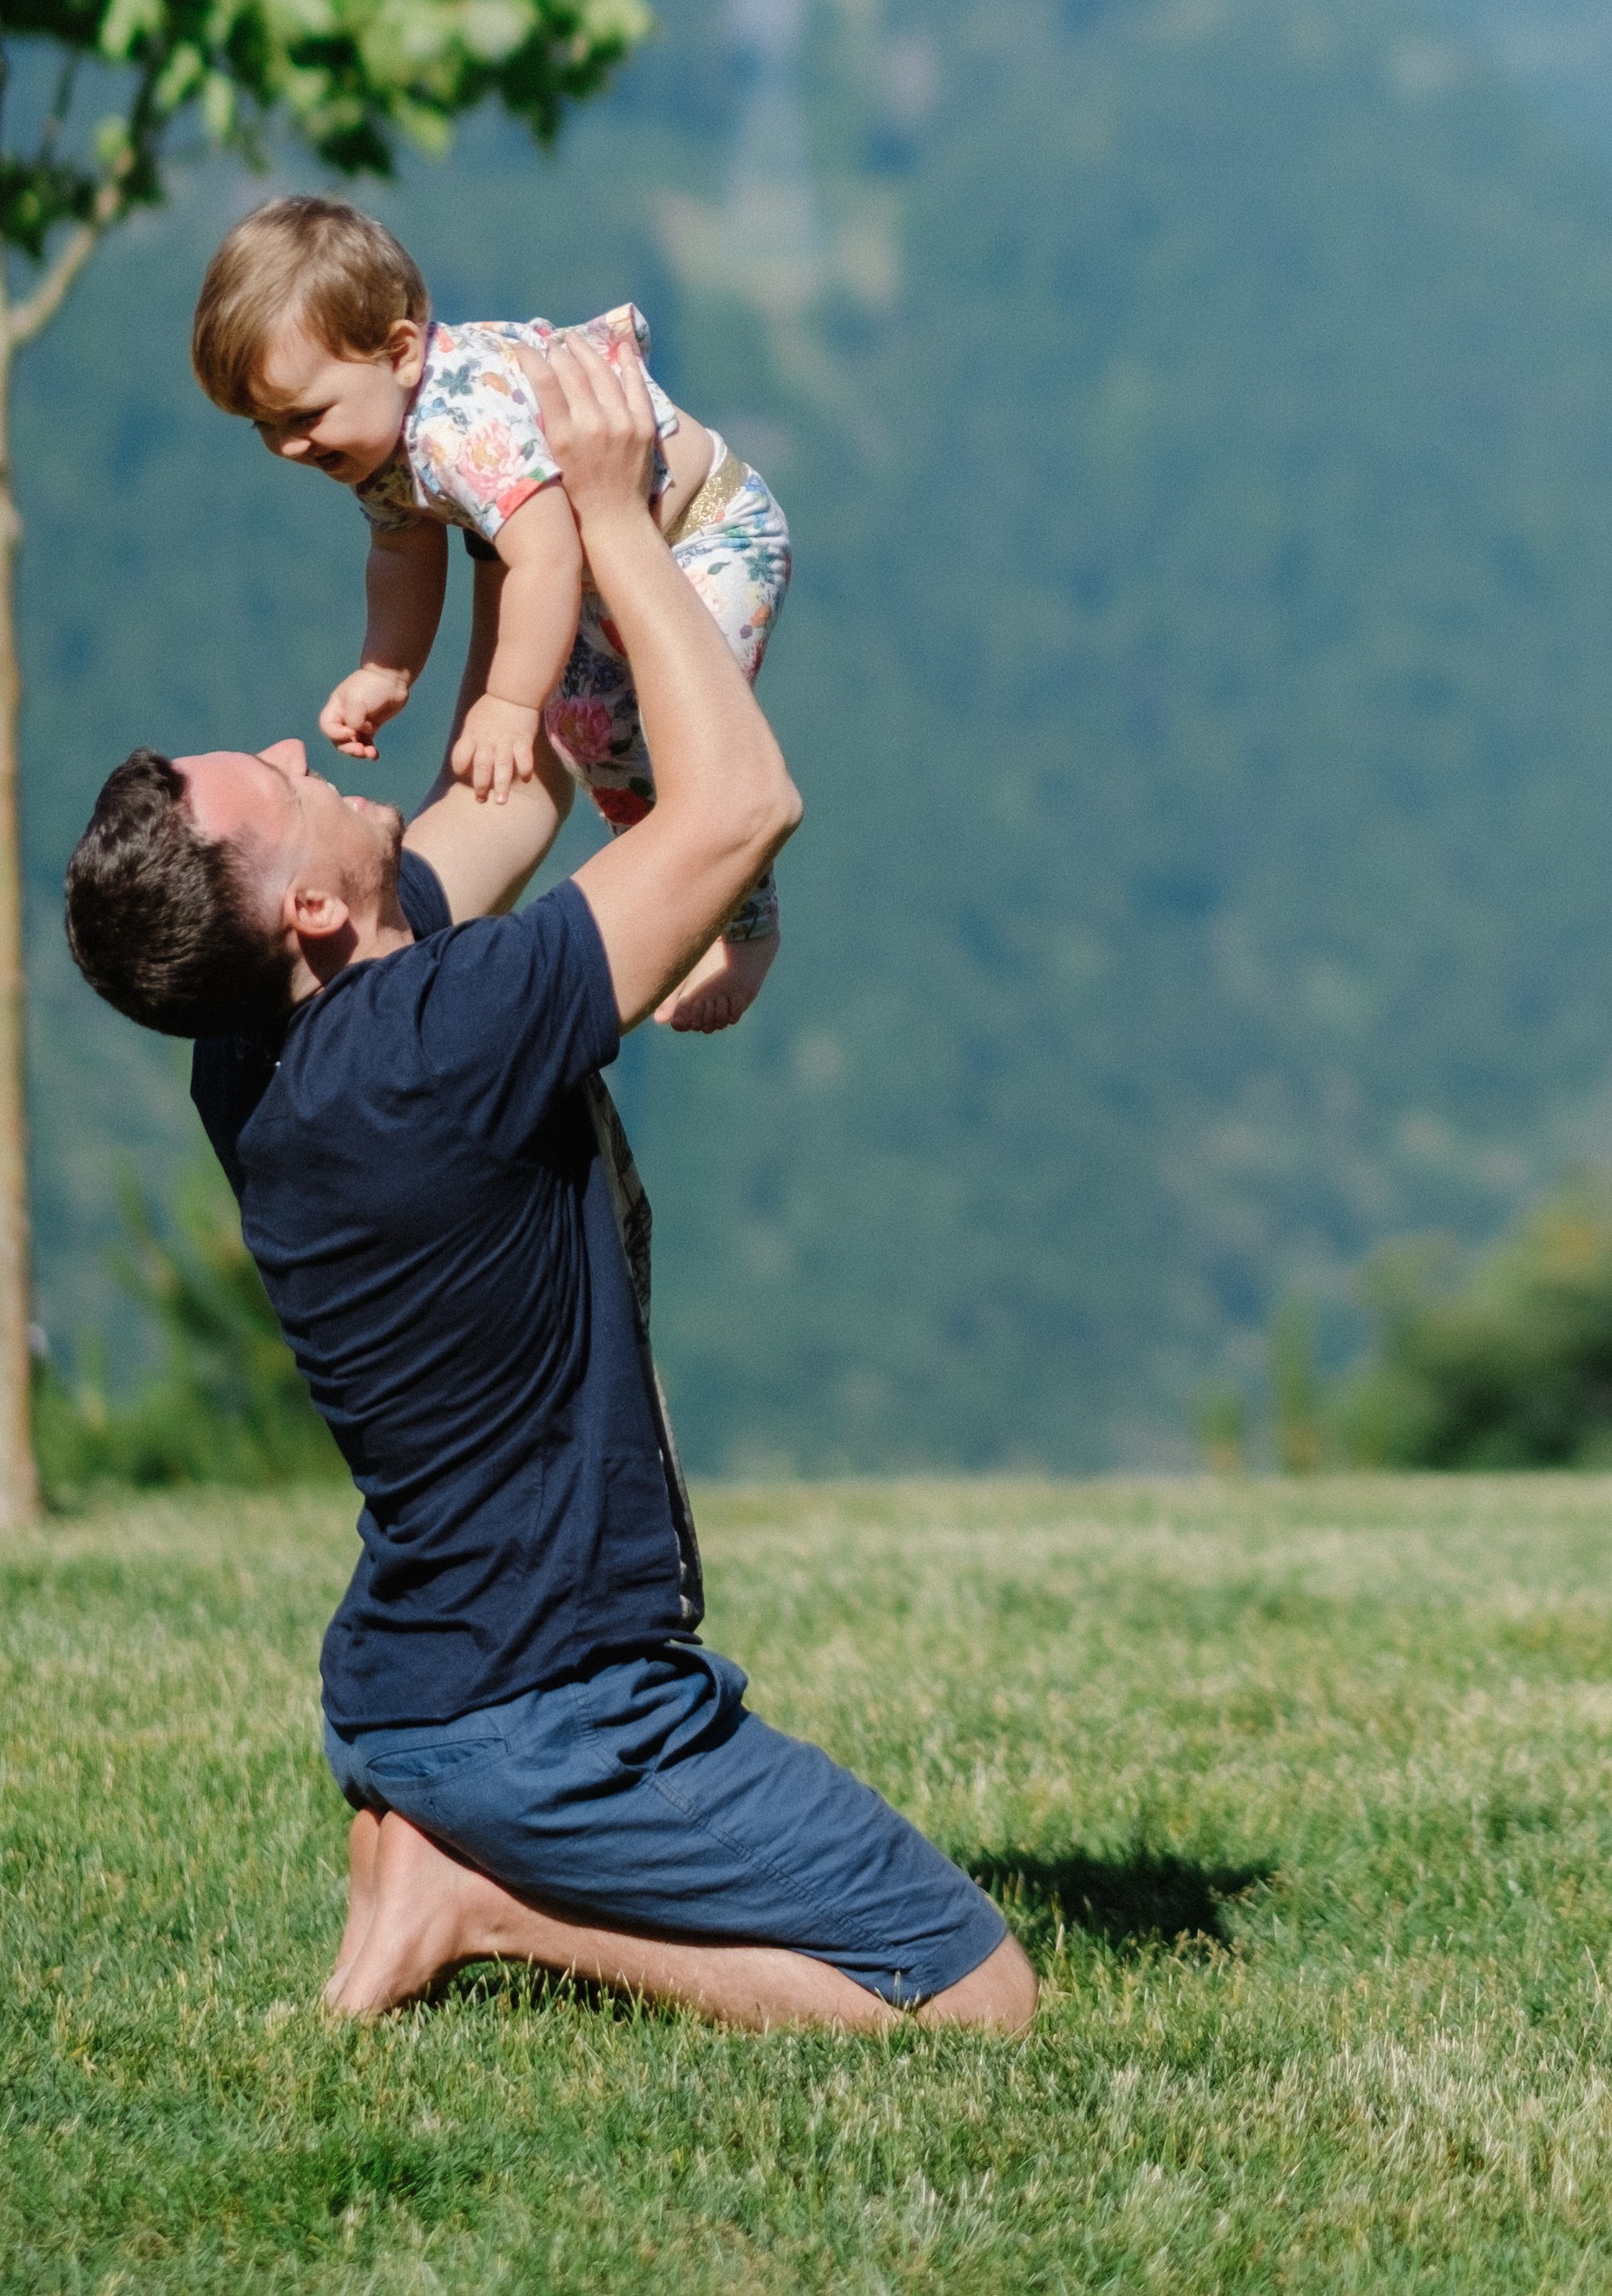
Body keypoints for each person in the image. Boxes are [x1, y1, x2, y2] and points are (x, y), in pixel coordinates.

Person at [63, 327, 1035, 2034]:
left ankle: (441, 1846)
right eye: (275, 789)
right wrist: (626, 520)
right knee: (971, 2000)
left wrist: (518, 531)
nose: (296, 753)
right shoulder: (449, 1035)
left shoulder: (268, 1047)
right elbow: (740, 807)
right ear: (309, 913)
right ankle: (490, 1906)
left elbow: (506, 804)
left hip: (421, 1686)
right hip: (555, 1710)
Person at [190, 193, 791, 1035]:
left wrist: (509, 704)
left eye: (305, 416)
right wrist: (386, 665)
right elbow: (404, 550)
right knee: (589, 736)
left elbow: (542, 558)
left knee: (679, 736)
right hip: (607, 572)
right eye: (264, 426)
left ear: (400, 352)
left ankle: (746, 930)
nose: (291, 446)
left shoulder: (462, 425)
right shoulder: (378, 437)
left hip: (710, 535)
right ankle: (681, 888)